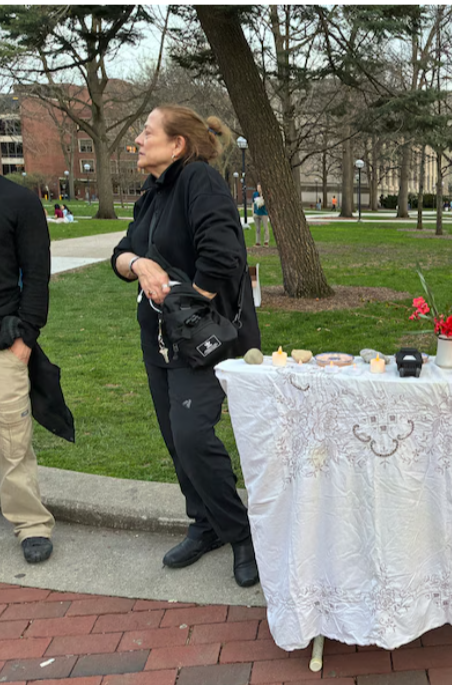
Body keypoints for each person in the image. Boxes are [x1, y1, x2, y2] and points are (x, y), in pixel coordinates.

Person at [111, 105, 262, 588]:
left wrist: (188, 311)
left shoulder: (200, 181)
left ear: (177, 144)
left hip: (202, 342)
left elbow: (224, 253)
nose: (138, 139)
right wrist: (138, 264)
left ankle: (241, 535)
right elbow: (119, 254)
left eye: (147, 131)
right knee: (176, 440)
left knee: (194, 437)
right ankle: (204, 524)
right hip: (158, 342)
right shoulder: (152, 194)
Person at [0, 176, 64, 563]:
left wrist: (26, 337)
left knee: (13, 442)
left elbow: (37, 274)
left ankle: (31, 524)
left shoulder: (20, 202)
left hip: (6, 343)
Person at [251, 183, 270, 247]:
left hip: (264, 213)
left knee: (265, 227)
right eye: (258, 188)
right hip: (256, 213)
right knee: (257, 229)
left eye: (259, 188)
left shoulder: (265, 194)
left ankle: (266, 242)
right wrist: (253, 212)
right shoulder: (254, 194)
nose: (258, 189)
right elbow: (253, 203)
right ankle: (258, 242)